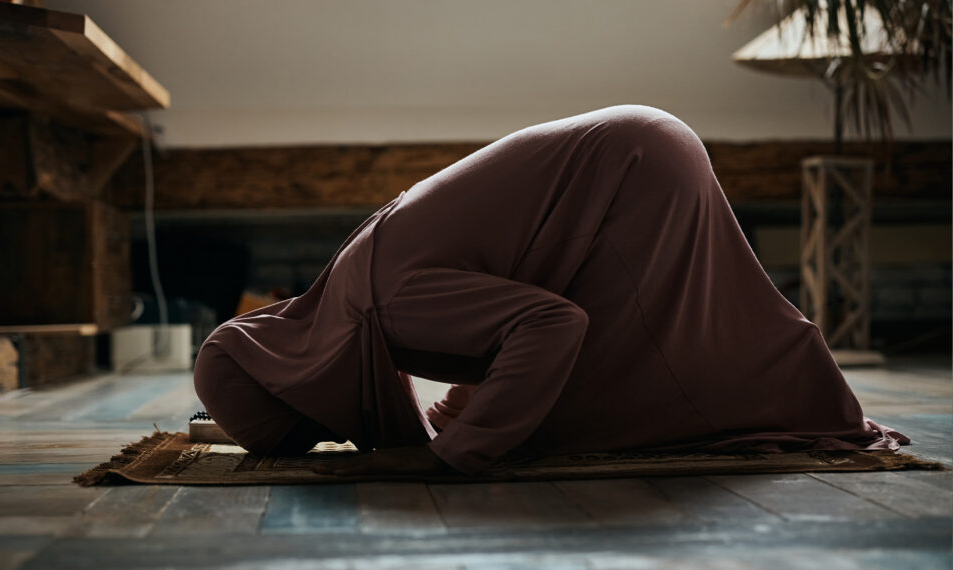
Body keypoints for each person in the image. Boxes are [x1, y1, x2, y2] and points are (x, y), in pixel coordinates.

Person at [192, 104, 908, 477]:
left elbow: (550, 324)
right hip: (637, 144)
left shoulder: (383, 306)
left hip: (633, 176)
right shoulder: (350, 286)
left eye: (316, 426)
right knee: (564, 390)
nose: (338, 427)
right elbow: (504, 286)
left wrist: (452, 454)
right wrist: (467, 412)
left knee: (603, 390)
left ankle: (792, 392)